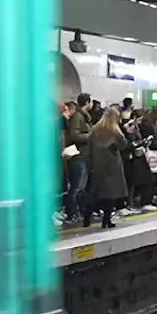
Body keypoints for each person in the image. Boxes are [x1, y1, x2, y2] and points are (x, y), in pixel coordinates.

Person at [84, 107, 128, 229]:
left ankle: (87, 217)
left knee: (97, 192)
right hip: (112, 164)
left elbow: (89, 145)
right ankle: (106, 221)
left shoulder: (95, 129)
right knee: (111, 194)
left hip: (97, 164)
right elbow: (123, 143)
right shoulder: (114, 130)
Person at [64, 93, 92, 223]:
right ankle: (71, 212)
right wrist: (90, 136)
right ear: (87, 103)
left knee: (81, 187)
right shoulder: (78, 117)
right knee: (76, 187)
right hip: (78, 156)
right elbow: (74, 135)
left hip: (85, 155)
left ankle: (78, 211)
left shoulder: (84, 117)